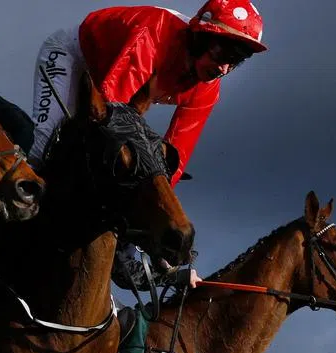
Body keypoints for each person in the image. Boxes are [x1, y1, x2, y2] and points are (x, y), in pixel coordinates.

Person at [30, 1, 267, 294]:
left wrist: (158, 230)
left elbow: (170, 163)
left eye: (237, 59)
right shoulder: (153, 35)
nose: (224, 67)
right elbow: (109, 127)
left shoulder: (208, 88)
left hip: (112, 87)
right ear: (199, 36)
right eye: (222, 52)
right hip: (74, 58)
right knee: (46, 149)